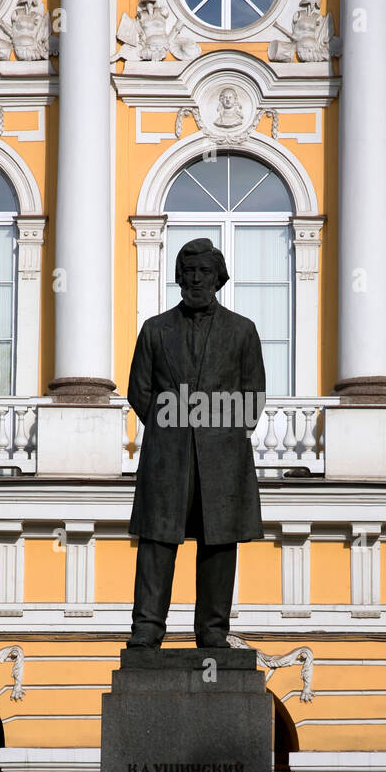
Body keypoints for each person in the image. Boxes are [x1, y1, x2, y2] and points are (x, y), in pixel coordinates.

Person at [126, 237, 266, 648]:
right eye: (189, 272)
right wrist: (173, 426)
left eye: (204, 271)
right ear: (179, 278)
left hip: (223, 455)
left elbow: (253, 396)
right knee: (157, 539)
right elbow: (140, 391)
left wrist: (212, 428)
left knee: (219, 541)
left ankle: (213, 630)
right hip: (167, 455)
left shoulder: (242, 331)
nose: (196, 279)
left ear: (218, 277)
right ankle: (147, 627)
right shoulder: (155, 330)